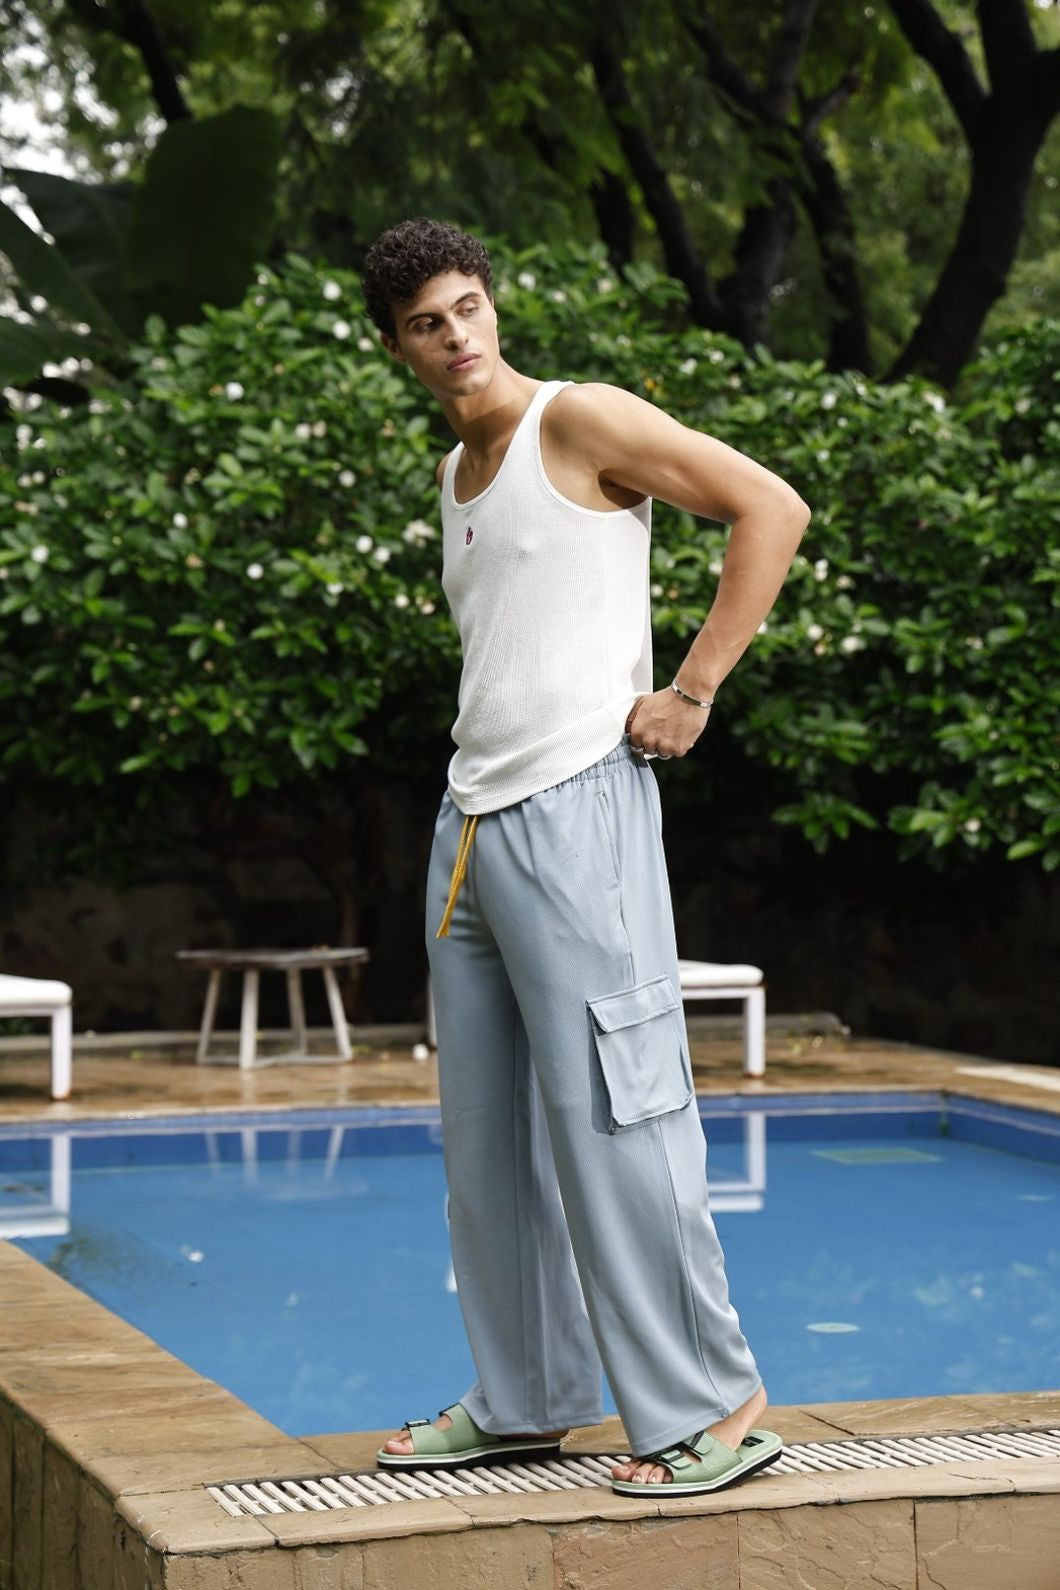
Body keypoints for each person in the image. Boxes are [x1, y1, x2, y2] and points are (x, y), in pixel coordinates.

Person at [360, 216, 810, 1496]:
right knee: (486, 1144)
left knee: (624, 1115)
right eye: (426, 325)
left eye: (466, 307)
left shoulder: (579, 420)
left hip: (578, 807)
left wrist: (693, 690)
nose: (456, 337)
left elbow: (770, 507)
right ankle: (527, 1397)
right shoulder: (455, 476)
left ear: (491, 302)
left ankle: (714, 1410)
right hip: (469, 827)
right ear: (398, 348)